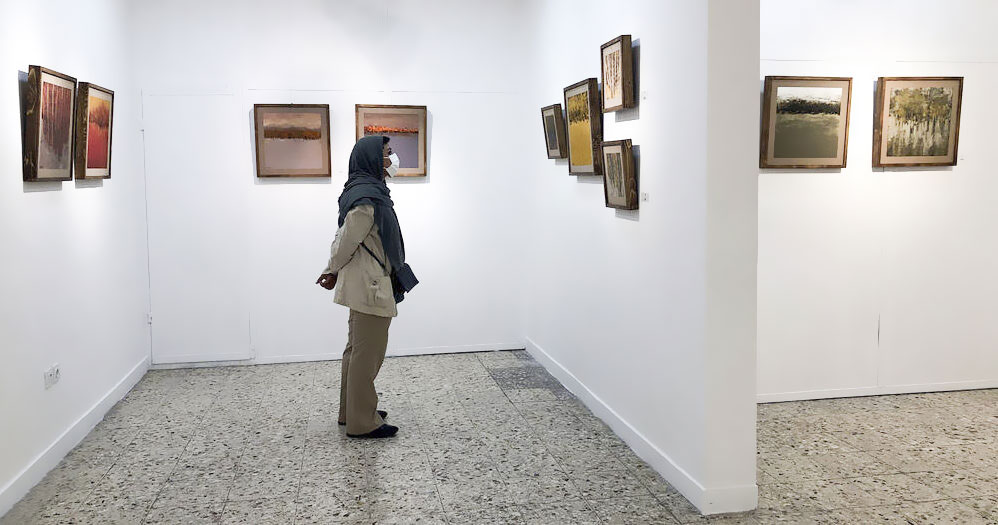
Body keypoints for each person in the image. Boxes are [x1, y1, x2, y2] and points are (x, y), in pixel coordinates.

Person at [316, 135, 410, 439]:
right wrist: (330, 269)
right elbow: (344, 242)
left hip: (364, 283)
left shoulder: (367, 191)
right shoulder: (367, 199)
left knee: (356, 351)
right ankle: (362, 422)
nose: (392, 159)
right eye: (387, 153)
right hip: (369, 286)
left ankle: (352, 411)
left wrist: (332, 269)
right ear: (371, 158)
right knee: (367, 356)